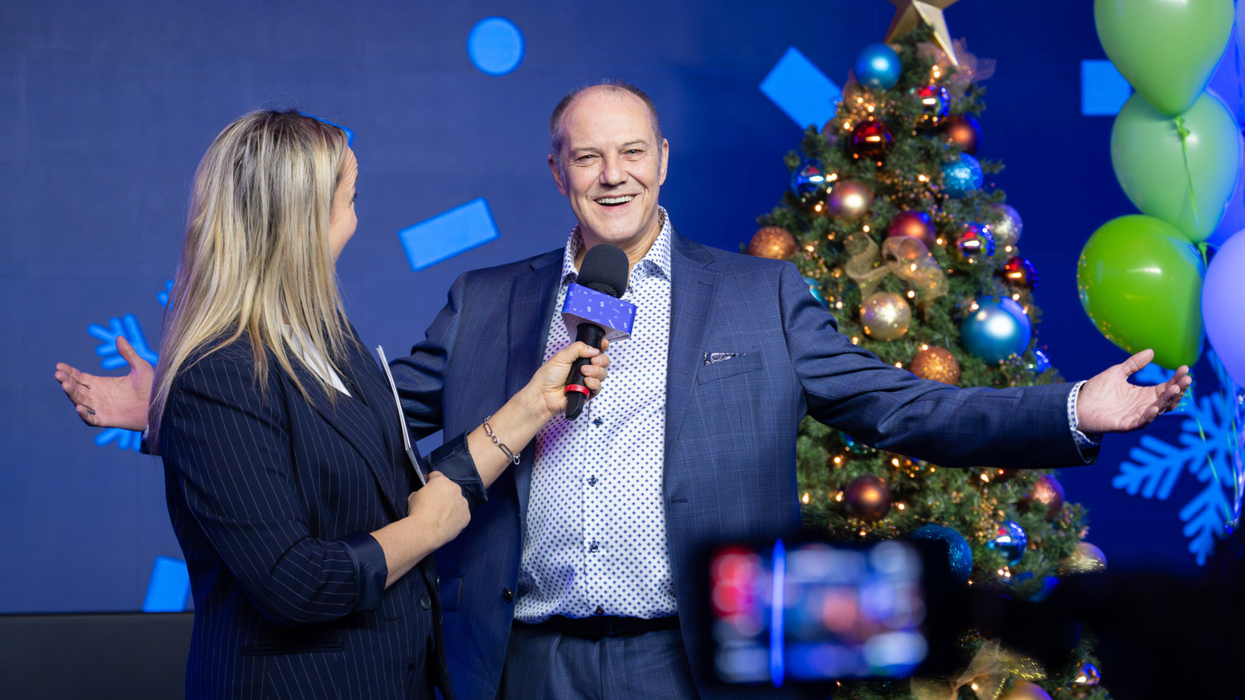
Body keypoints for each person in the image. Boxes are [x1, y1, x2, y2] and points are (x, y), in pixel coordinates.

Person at [60, 85, 1190, 700]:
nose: (612, 174)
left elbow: (902, 405)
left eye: (632, 152)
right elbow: (355, 434)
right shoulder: (487, 300)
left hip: (687, 650)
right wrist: (170, 407)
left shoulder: (760, 296)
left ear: (662, 161)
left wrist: (1072, 411)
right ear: (556, 172)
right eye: (586, 156)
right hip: (521, 655)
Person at [55, 110, 609, 700]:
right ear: (303, 220)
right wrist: (425, 530)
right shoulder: (215, 371)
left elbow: (381, 473)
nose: (356, 219)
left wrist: (535, 402)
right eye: (350, 199)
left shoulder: (328, 343)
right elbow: (295, 582)